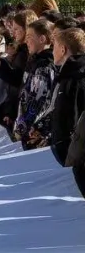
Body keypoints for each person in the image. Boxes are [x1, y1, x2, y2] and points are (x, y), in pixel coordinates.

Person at [13, 19, 57, 150]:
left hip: (37, 131)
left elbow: (38, 102)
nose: (26, 41)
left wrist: (22, 127)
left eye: (29, 37)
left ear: (42, 39)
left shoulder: (44, 66)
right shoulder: (36, 62)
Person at [49, 28, 85, 167]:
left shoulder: (73, 79)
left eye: (54, 47)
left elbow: (72, 116)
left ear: (63, 50)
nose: (52, 51)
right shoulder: (68, 75)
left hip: (73, 156)